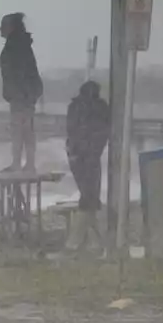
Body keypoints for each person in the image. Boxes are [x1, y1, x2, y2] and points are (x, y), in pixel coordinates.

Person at [65, 80, 109, 250]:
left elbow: (72, 131)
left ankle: (88, 241)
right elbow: (102, 132)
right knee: (89, 197)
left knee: (88, 197)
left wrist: (74, 152)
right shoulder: (100, 107)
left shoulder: (75, 106)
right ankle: (84, 242)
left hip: (78, 157)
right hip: (90, 157)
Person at [0, 12, 43, 173]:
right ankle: (27, 164)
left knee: (20, 131)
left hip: (21, 97)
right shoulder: (21, 44)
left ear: (11, 27)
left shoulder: (15, 47)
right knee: (26, 131)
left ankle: (20, 164)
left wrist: (17, 94)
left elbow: (18, 74)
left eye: (3, 26)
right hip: (25, 96)